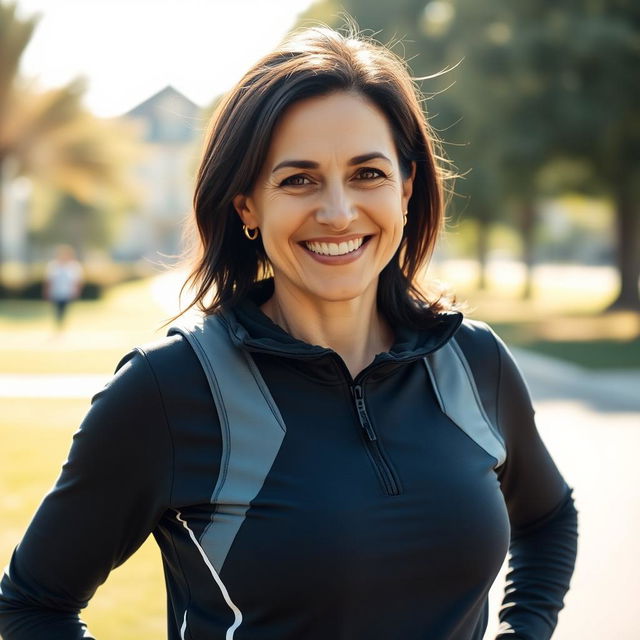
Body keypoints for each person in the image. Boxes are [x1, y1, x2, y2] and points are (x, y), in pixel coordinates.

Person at [0, 25, 577, 640]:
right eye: (298, 179)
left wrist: (526, 630)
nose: (337, 211)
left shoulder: (472, 360)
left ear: (407, 187)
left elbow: (548, 517)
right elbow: (32, 606)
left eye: (368, 174)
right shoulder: (170, 390)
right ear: (247, 205)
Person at [43, 244, 84, 331]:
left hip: (67, 292)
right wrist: (47, 290)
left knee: (64, 310)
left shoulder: (73, 266)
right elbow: (49, 280)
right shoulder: (53, 266)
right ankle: (58, 325)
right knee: (57, 310)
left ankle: (62, 326)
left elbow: (77, 281)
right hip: (56, 292)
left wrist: (76, 291)